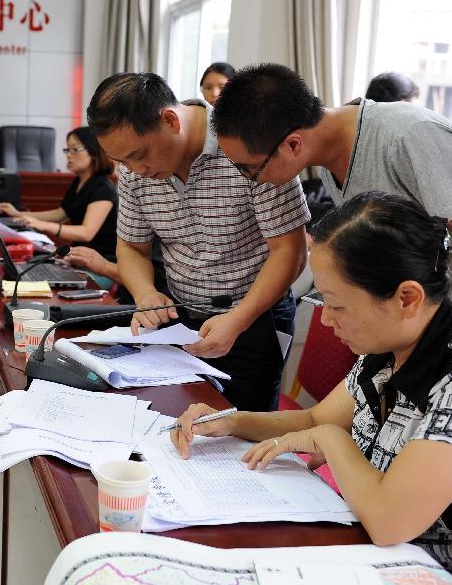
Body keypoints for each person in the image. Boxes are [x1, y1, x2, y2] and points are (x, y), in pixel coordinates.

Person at [171, 192, 452, 585]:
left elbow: (388, 520)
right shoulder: (393, 345)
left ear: (406, 298)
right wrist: (231, 422)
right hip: (390, 558)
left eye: (337, 305)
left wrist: (330, 438)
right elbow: (313, 419)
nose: (326, 320)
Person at [212, 62, 452, 389]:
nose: (249, 180)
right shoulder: (331, 163)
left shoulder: (408, 137)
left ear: (293, 144)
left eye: (249, 169)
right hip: (440, 338)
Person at [86, 73, 310, 412]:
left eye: (139, 155)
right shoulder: (134, 171)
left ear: (170, 120)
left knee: (244, 428)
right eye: (122, 161)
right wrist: (145, 294)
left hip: (255, 320)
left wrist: (238, 319)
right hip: (181, 322)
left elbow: (290, 252)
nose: (134, 169)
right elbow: (131, 246)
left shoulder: (247, 141)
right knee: (174, 418)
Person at [0, 127, 118, 285]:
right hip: (78, 261)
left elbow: (86, 232)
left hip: (100, 267)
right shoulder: (80, 181)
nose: (69, 155)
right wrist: (18, 214)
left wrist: (42, 225)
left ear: (94, 151)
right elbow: (60, 214)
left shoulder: (103, 188)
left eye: (75, 149)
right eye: (67, 150)